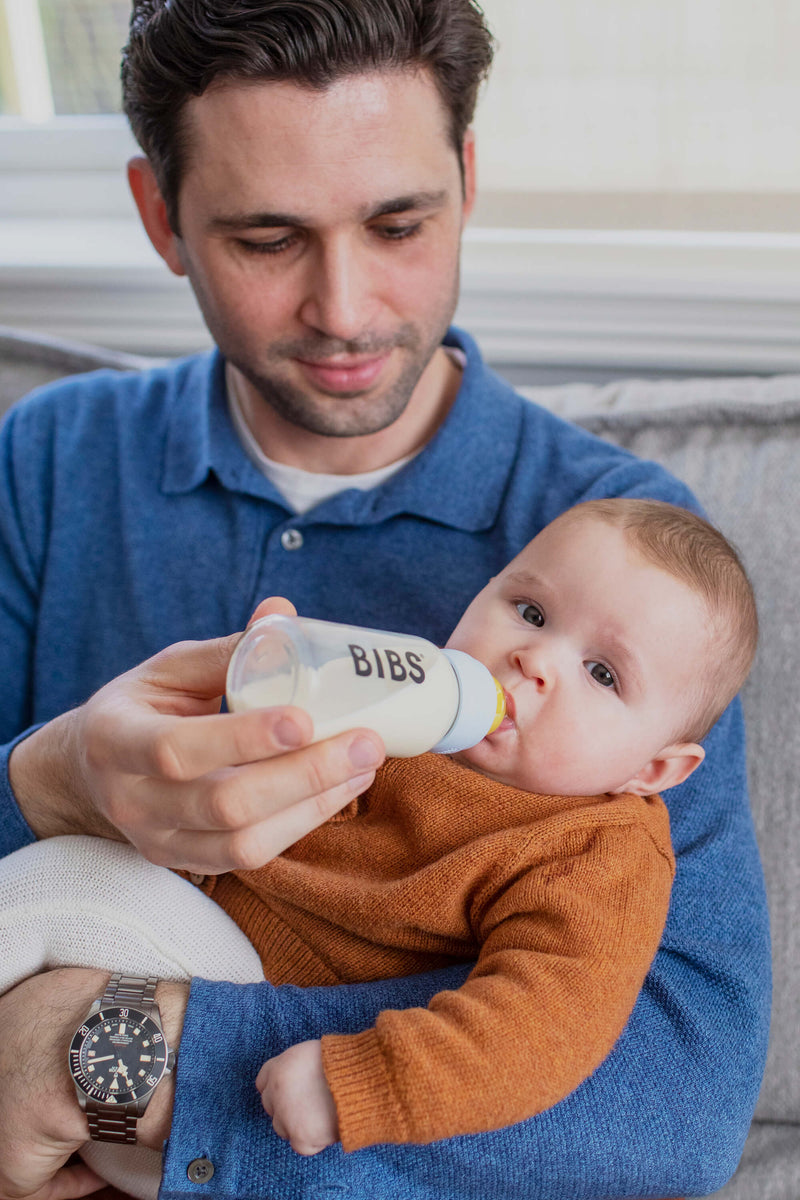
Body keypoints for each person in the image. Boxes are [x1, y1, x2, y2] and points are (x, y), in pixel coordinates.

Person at [0, 2, 769, 1199]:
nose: (346, 311)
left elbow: (671, 1097)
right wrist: (49, 781)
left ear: (465, 178)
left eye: (398, 223)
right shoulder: (47, 468)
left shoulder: (628, 566)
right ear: (161, 217)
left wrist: (93, 1056)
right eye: (266, 238)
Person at [0, 498, 757, 1188]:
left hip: (235, 1058)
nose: (534, 660)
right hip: (137, 1052)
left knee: (60, 882)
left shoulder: (595, 851)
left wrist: (364, 1082)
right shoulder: (409, 707)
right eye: (529, 611)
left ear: (655, 769)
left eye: (600, 673)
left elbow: (545, 1025)